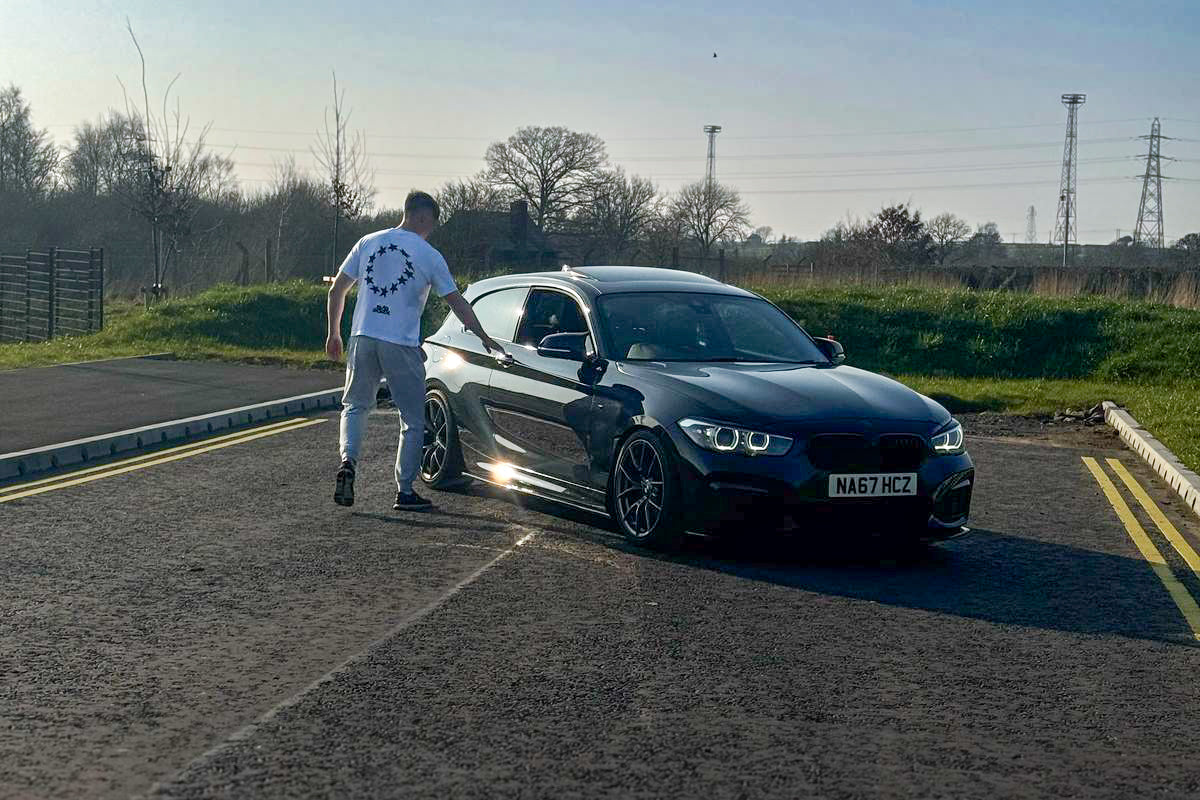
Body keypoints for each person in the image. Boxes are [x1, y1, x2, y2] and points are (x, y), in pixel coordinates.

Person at [325, 190, 501, 511]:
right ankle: (405, 490)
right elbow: (457, 302)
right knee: (412, 419)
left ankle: (348, 462)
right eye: (431, 222)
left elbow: (338, 288)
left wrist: (334, 333)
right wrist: (484, 337)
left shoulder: (368, 242)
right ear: (421, 217)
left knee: (354, 407)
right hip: (400, 344)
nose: (431, 229)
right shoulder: (429, 254)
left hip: (362, 337)